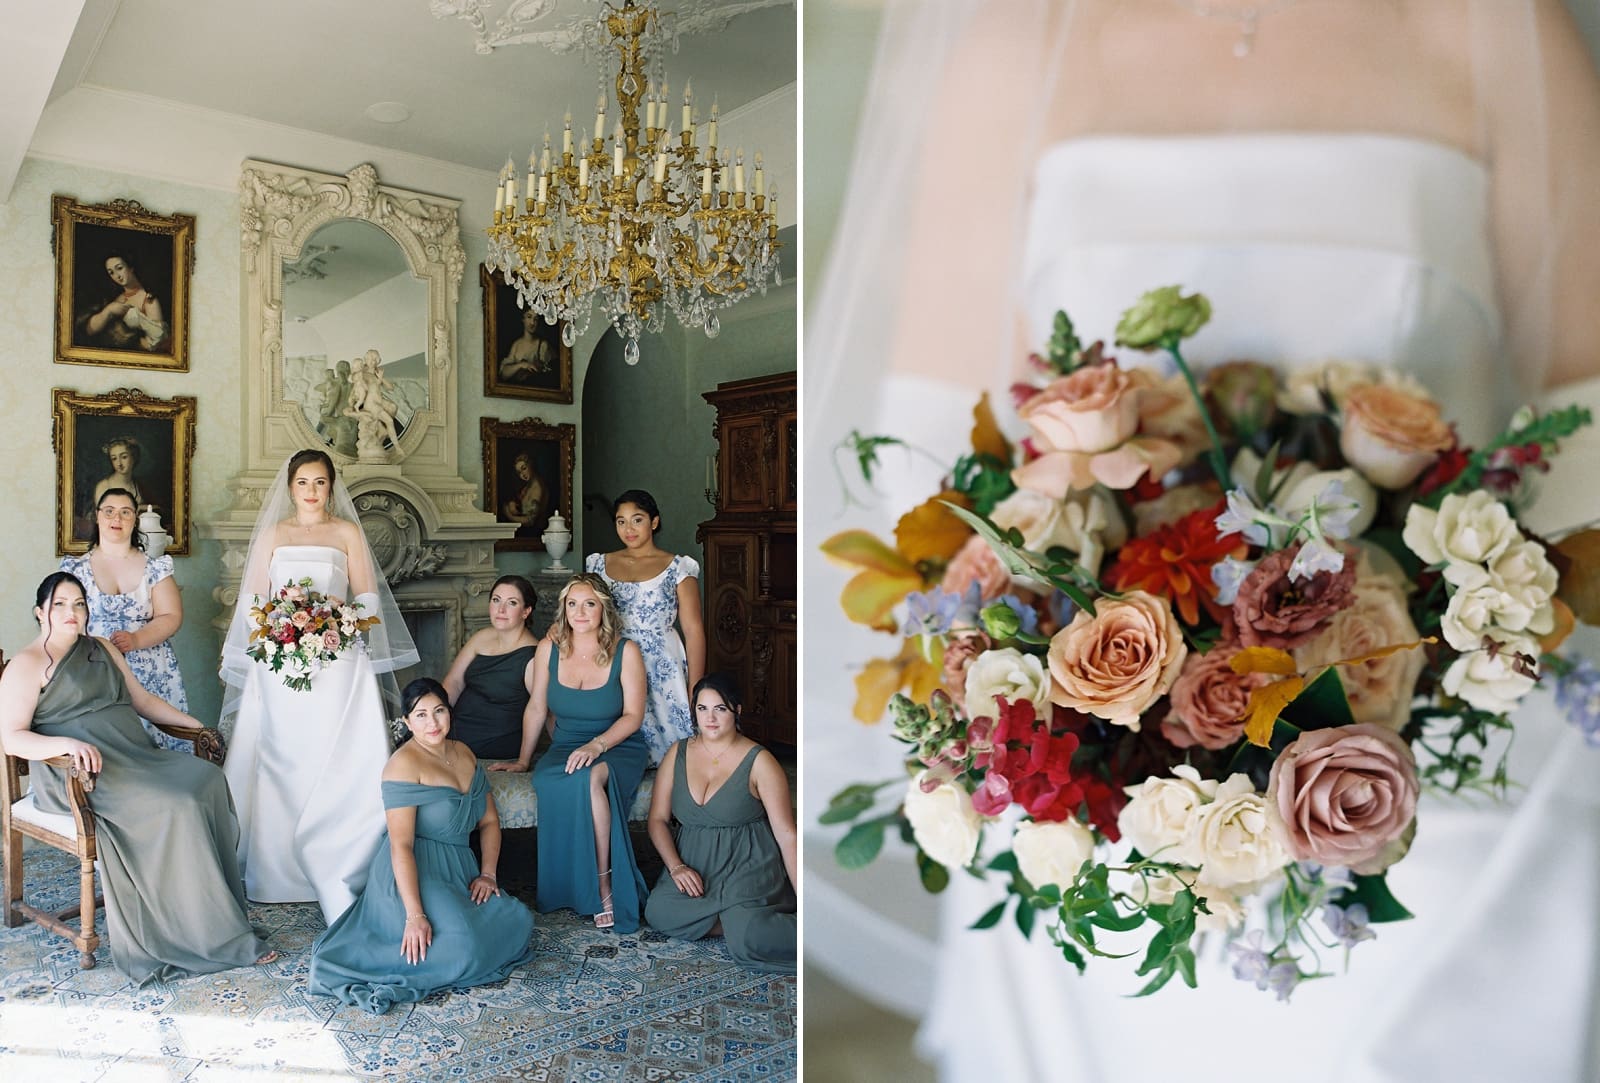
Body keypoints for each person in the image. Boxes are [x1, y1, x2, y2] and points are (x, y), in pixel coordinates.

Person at [804, 2, 1600, 1081]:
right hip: (1111, 813)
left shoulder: (1495, 27)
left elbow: (1585, 418)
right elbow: (932, 450)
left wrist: (1472, 639)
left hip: (1439, 792)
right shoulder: (1010, 46)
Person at [0, 572, 273, 984]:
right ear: (41, 612)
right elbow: (11, 738)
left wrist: (196, 727)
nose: (72, 612)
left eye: (78, 603)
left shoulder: (103, 648)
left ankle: (208, 913)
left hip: (132, 754)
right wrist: (67, 747)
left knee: (205, 780)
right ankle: (196, 934)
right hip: (80, 774)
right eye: (60, 604)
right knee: (175, 803)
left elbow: (142, 701)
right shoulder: (27, 664)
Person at [219, 448, 420, 925]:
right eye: (303, 482)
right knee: (281, 759)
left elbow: (368, 597)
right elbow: (252, 600)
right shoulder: (273, 533)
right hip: (280, 663)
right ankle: (277, 871)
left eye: (320, 483)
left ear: (332, 486)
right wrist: (277, 632)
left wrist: (337, 620)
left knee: (340, 757)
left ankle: (348, 856)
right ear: (290, 487)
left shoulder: (347, 532)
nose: (311, 491)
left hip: (338, 661)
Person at [307, 678, 535, 1015]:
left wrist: (487, 873)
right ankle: (376, 953)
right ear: (407, 722)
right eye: (421, 715)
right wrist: (414, 914)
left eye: (439, 711)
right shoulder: (403, 765)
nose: (433, 723)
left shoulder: (464, 753)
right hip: (413, 868)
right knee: (463, 945)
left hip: (459, 865)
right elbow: (400, 845)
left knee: (519, 919)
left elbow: (488, 822)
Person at [645, 673, 796, 973]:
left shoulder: (760, 761)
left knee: (749, 935)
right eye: (702, 709)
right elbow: (658, 820)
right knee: (658, 911)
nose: (710, 718)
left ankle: (800, 932)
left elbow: (787, 835)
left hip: (746, 864)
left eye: (720, 709)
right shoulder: (678, 752)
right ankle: (735, 919)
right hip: (697, 865)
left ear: (737, 711)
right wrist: (677, 866)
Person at [528, 574, 650, 932]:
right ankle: (567, 886)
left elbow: (634, 716)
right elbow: (536, 708)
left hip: (617, 744)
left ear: (603, 609)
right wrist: (523, 758)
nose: (580, 612)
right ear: (563, 610)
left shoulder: (626, 651)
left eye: (589, 604)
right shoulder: (548, 649)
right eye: (572, 604)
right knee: (551, 777)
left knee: (589, 776)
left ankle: (603, 884)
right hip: (566, 745)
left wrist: (597, 745)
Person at [59, 487, 190, 752]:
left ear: (135, 519)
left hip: (151, 669)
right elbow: (62, 619)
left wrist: (136, 639)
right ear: (98, 517)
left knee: (158, 743)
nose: (116, 518)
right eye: (109, 511)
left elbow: (171, 616)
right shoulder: (75, 569)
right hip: (95, 667)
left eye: (125, 512)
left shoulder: (155, 567)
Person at [585, 490, 706, 764]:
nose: (628, 529)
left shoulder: (679, 567)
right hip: (614, 655)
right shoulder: (598, 564)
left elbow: (694, 630)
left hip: (662, 661)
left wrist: (695, 690)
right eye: (620, 521)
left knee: (672, 751)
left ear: (654, 522)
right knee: (618, 737)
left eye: (637, 520)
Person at [440, 574, 543, 764]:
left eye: (512, 603)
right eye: (496, 600)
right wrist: (438, 717)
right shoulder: (481, 637)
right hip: (458, 727)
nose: (501, 609)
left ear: (526, 611)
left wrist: (523, 761)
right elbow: (454, 682)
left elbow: (539, 709)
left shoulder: (534, 656)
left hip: (494, 739)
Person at [80, 253, 168, 351]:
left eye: (119, 268)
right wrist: (108, 311)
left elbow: (159, 340)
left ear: (131, 267)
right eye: (111, 272)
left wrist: (135, 342)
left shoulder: (148, 299)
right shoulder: (117, 299)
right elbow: (89, 331)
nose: (117, 276)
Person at [499, 307, 557, 380]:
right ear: (523, 319)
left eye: (535, 319)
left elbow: (551, 376)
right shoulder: (516, 344)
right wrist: (522, 365)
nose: (532, 322)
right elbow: (504, 374)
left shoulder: (543, 345)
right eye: (529, 317)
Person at [504, 452, 550, 535]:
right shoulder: (529, 484)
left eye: (524, 468)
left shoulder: (537, 488)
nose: (522, 474)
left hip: (534, 533)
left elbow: (530, 521)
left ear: (530, 465)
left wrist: (509, 515)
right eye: (519, 472)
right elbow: (526, 509)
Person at [91, 436, 143, 508]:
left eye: (124, 457)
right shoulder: (104, 487)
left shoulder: (139, 486)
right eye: (114, 458)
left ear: (134, 457)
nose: (119, 463)